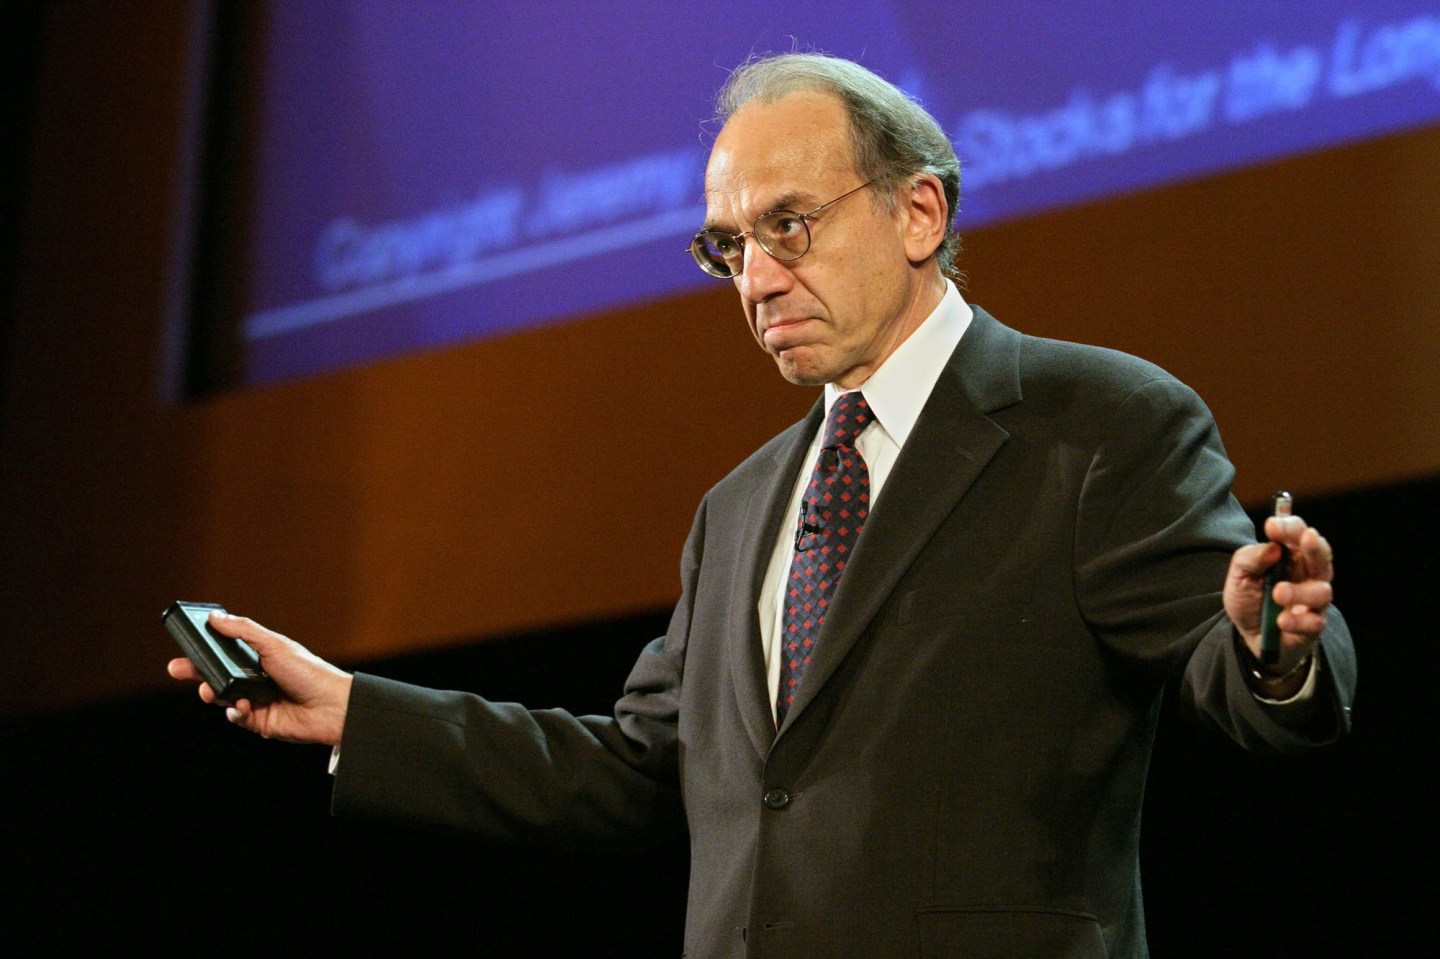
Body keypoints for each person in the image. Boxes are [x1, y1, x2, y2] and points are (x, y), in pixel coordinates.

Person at [169, 53, 1355, 958]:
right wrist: (356, 713)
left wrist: (1273, 647)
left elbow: (1232, 661)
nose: (755, 278)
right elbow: (641, 769)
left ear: (919, 214)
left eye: (787, 226)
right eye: (726, 245)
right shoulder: (738, 510)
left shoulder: (1097, 419)